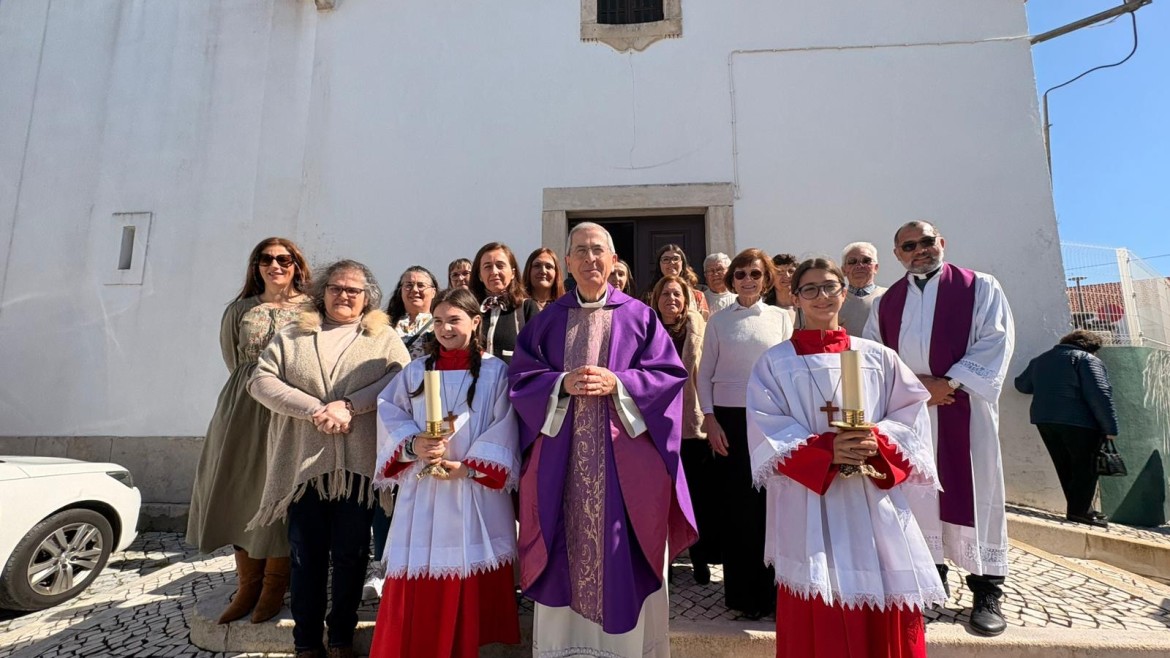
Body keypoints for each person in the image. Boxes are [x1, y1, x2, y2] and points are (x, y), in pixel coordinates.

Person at [508, 222, 697, 658]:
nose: (590, 259)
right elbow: (520, 378)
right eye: (581, 251)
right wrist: (559, 384)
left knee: (622, 547)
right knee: (560, 545)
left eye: (599, 251)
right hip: (562, 462)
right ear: (567, 263)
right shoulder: (547, 320)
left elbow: (668, 378)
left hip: (625, 466)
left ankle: (626, 649)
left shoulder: (640, 316)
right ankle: (565, 650)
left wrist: (619, 382)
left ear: (614, 262)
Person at [747, 257, 945, 658]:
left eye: (829, 287)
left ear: (843, 292)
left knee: (884, 591)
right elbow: (765, 426)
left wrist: (878, 442)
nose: (822, 296)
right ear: (795, 298)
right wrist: (825, 450)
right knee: (817, 598)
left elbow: (911, 415)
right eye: (810, 289)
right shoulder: (775, 363)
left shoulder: (878, 356)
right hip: (810, 498)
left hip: (872, 496)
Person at [248, 260, 411, 658]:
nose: (344, 296)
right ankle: (305, 642)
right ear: (323, 291)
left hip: (356, 468)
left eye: (354, 290)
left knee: (352, 554)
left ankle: (340, 636)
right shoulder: (293, 334)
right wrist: (315, 409)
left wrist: (350, 405)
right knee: (306, 555)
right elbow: (261, 380)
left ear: (367, 297)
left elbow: (400, 378)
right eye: (337, 288)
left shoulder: (384, 337)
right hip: (305, 468)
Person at [864, 220, 1015, 637]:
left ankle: (986, 590)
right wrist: (918, 391)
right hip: (912, 414)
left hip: (963, 407)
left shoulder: (979, 286)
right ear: (897, 255)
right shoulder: (886, 303)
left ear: (941, 243)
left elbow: (996, 341)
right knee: (919, 496)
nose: (920, 250)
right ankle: (932, 582)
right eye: (909, 246)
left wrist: (946, 384)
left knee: (978, 491)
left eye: (927, 242)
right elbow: (876, 359)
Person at [370, 287, 521, 658]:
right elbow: (389, 412)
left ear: (475, 321)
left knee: (466, 571)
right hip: (425, 489)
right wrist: (413, 445)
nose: (445, 328)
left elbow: (505, 425)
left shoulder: (495, 372)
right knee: (423, 569)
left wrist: (469, 468)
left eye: (454, 320)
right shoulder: (415, 371)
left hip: (472, 490)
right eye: (438, 321)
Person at [187, 237, 311, 624]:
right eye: (266, 259)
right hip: (242, 411)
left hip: (290, 409)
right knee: (241, 491)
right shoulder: (239, 310)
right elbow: (233, 359)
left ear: (296, 265)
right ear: (256, 266)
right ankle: (247, 585)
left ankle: (275, 586)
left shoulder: (312, 309)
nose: (275, 265)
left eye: (284, 259)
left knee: (280, 493)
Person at [697, 248, 794, 619]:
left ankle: (773, 593)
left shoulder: (783, 318)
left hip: (771, 420)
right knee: (738, 509)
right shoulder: (719, 321)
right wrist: (710, 419)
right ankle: (743, 597)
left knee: (770, 506)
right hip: (730, 421)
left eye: (755, 274)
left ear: (766, 278)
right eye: (740, 274)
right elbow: (704, 374)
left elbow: (789, 370)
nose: (748, 280)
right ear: (731, 279)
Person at [651, 275, 718, 585]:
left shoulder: (700, 328)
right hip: (657, 426)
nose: (671, 299)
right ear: (656, 299)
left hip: (691, 425)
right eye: (665, 294)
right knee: (660, 497)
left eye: (677, 293)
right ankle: (661, 560)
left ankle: (700, 560)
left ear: (687, 298)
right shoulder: (648, 330)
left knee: (698, 497)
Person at [1014, 329, 1118, 528]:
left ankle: (1080, 509)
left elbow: (1022, 385)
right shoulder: (1087, 360)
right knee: (1085, 468)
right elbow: (1100, 394)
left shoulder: (1041, 360)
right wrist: (1110, 427)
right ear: (1091, 348)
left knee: (1064, 465)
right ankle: (1080, 512)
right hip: (1080, 421)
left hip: (1045, 420)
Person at [469, 242, 540, 364]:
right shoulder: (469, 310)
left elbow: (539, 351)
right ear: (480, 275)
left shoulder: (526, 308)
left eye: (500, 266)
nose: (494, 272)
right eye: (487, 266)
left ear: (513, 273)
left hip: (514, 381)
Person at [644, 244, 710, 320]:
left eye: (676, 259)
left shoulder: (698, 296)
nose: (671, 262)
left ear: (682, 263)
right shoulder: (648, 296)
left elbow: (703, 323)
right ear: (659, 265)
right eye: (666, 259)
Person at [386, 266, 438, 360]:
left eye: (421, 285)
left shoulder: (441, 324)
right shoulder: (386, 324)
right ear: (400, 290)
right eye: (409, 285)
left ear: (433, 292)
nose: (414, 290)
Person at [838, 241, 886, 337]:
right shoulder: (835, 300)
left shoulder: (889, 296)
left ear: (876, 268)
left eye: (866, 261)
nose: (859, 266)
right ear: (843, 270)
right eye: (852, 261)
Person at [764, 253, 801, 328]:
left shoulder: (807, 308)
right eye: (780, 272)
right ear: (771, 278)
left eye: (791, 271)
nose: (787, 276)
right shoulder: (764, 311)